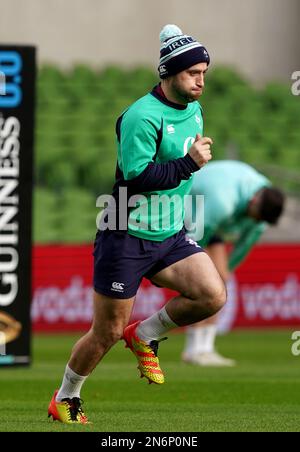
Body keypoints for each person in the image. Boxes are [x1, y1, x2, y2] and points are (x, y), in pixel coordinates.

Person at [48, 24, 227, 424]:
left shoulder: (194, 109)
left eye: (203, 73)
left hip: (170, 234)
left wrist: (185, 169)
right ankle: (65, 397)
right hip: (125, 234)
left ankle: (144, 334)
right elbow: (136, 177)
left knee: (212, 295)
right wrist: (189, 164)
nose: (200, 81)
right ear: (168, 73)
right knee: (106, 332)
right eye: (192, 73)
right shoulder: (140, 117)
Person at [182, 160, 285, 366]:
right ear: (254, 203)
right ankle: (193, 349)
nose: (256, 222)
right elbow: (195, 238)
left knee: (220, 281)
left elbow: (244, 245)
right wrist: (195, 270)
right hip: (187, 210)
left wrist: (226, 272)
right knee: (203, 282)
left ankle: (206, 348)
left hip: (209, 220)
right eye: (256, 217)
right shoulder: (223, 202)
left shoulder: (262, 206)